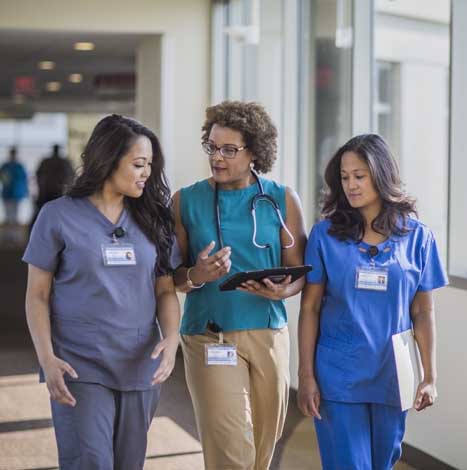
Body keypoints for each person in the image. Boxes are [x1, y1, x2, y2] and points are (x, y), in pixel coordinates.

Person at [23, 114, 181, 470]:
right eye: (139, 164)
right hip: (79, 363)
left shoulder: (153, 219)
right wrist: (46, 358)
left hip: (139, 363)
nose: (147, 174)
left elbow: (165, 290)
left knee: (129, 463)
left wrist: (172, 340)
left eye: (150, 166)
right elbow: (37, 296)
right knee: (91, 461)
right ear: (109, 159)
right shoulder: (57, 216)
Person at [297, 134, 448, 469]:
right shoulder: (325, 235)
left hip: (393, 374)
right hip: (338, 373)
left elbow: (423, 311)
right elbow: (310, 308)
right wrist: (305, 374)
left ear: (381, 174)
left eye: (359, 176)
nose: (350, 185)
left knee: (383, 463)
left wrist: (430, 376)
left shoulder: (419, 238)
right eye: (345, 177)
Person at [173, 101, 307, 470]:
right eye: (212, 147)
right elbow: (169, 277)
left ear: (254, 153)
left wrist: (283, 290)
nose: (217, 157)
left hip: (268, 329)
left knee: (266, 440)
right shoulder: (185, 201)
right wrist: (197, 275)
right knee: (231, 446)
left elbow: (299, 272)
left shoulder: (282, 199)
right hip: (209, 333)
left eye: (229, 150)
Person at [30, 144, 74, 231]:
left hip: (50, 194)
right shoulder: (64, 162)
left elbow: (38, 176)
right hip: (55, 194)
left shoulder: (48, 162)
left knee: (40, 216)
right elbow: (71, 178)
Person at [0, 146, 28, 225]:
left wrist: (26, 191)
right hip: (8, 194)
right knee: (8, 216)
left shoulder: (19, 166)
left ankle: (13, 235)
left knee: (15, 216)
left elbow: (24, 180)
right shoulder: (6, 166)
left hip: (16, 194)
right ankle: (9, 235)